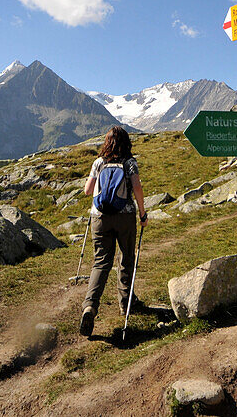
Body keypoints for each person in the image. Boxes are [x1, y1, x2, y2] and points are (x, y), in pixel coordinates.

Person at [79, 125, 147, 337]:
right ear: (126, 142)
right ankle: (126, 304)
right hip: (125, 216)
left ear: (107, 142)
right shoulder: (129, 162)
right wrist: (143, 214)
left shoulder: (98, 162)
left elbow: (88, 190)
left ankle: (90, 306)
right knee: (126, 258)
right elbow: (137, 188)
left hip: (99, 217)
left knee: (101, 262)